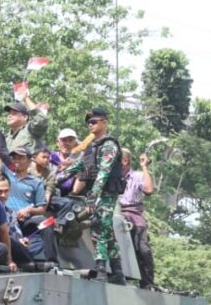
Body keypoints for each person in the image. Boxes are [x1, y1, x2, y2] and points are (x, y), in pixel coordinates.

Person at [58, 107, 126, 284]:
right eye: (89, 122)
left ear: (104, 122)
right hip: (96, 193)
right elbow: (77, 166)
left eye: (94, 122)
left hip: (106, 194)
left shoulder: (109, 146)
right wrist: (56, 180)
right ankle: (118, 272)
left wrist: (93, 196)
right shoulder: (92, 147)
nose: (90, 125)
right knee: (107, 230)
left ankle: (101, 270)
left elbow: (104, 172)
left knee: (99, 228)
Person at [119, 148, 155, 289]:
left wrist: (144, 167)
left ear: (124, 161)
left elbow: (149, 190)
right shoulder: (109, 176)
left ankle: (147, 283)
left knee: (143, 249)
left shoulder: (136, 176)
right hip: (113, 213)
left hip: (133, 214)